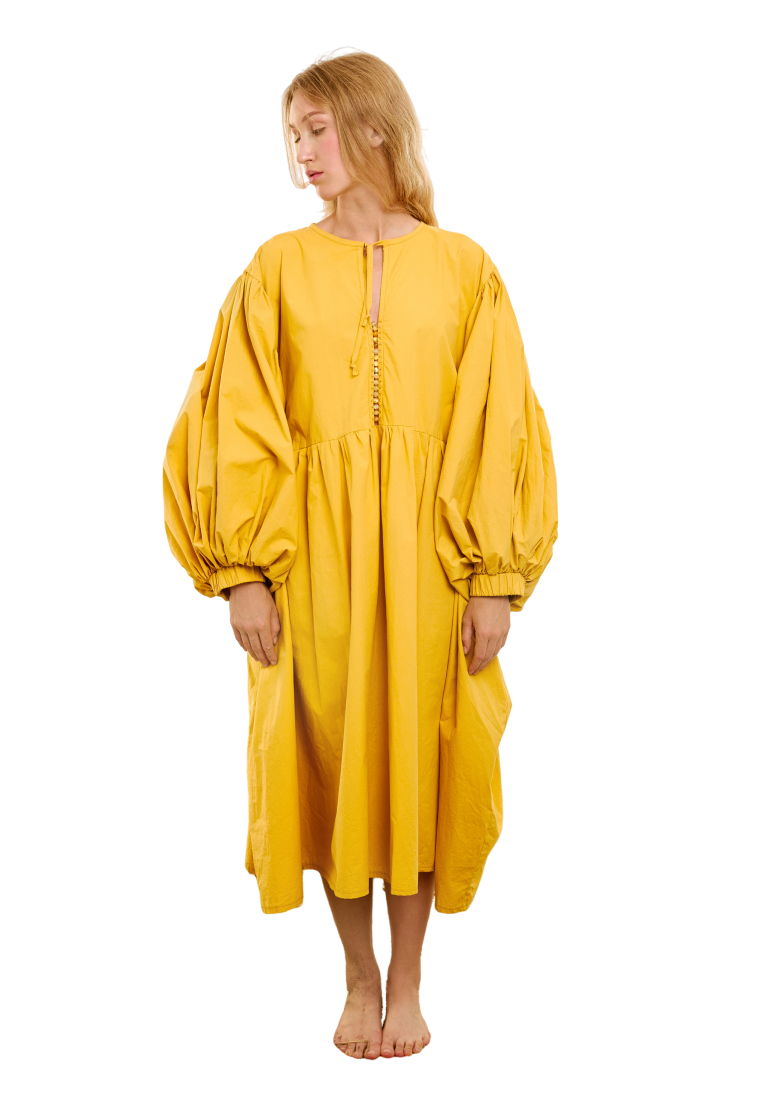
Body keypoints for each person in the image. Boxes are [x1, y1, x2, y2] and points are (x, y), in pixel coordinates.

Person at [163, 49, 558, 1061]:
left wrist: (495, 577)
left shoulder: (465, 268)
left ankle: (411, 977)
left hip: (432, 561)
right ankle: (356, 975)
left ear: (375, 124)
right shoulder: (275, 269)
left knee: (420, 757)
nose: (302, 150)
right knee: (333, 759)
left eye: (317, 127)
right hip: (312, 564)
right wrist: (241, 572)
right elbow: (230, 418)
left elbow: (501, 423)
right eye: (292, 133)